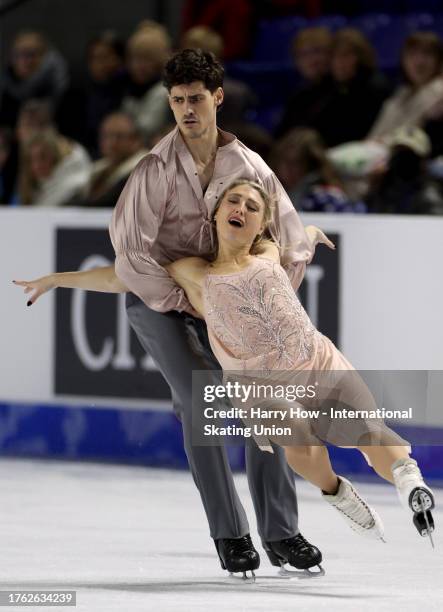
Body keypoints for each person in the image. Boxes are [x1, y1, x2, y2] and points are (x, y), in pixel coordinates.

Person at [13, 48, 323, 577]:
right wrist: (197, 297)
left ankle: (282, 532)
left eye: (197, 99)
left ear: (217, 98)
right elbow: (133, 260)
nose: (187, 110)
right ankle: (230, 535)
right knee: (202, 400)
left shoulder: (251, 167)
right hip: (159, 302)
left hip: (228, 298)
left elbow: (288, 245)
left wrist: (244, 302)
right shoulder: (153, 169)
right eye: (177, 100)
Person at [14, 178, 435, 552]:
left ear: (260, 225)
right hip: (259, 384)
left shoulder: (271, 251)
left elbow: (297, 240)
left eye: (253, 208)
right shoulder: (190, 271)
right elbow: (117, 278)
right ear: (216, 213)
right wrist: (55, 279)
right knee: (303, 446)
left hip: (317, 359)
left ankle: (409, 483)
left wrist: (308, 232)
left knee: (370, 429)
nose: (242, 210)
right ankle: (337, 492)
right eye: (234, 202)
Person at [73, 112, 148, 208]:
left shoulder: (145, 169)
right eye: (106, 136)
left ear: (136, 140)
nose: (111, 143)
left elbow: (107, 203)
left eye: (119, 137)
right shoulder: (98, 169)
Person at [0, 31, 69, 128]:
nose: (25, 61)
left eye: (31, 54)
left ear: (45, 57)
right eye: (19, 54)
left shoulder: (60, 92)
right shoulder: (6, 89)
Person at [18, 128, 91, 207]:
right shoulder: (31, 190)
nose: (37, 165)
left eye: (43, 157)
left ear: (54, 156)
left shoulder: (74, 187)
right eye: (31, 160)